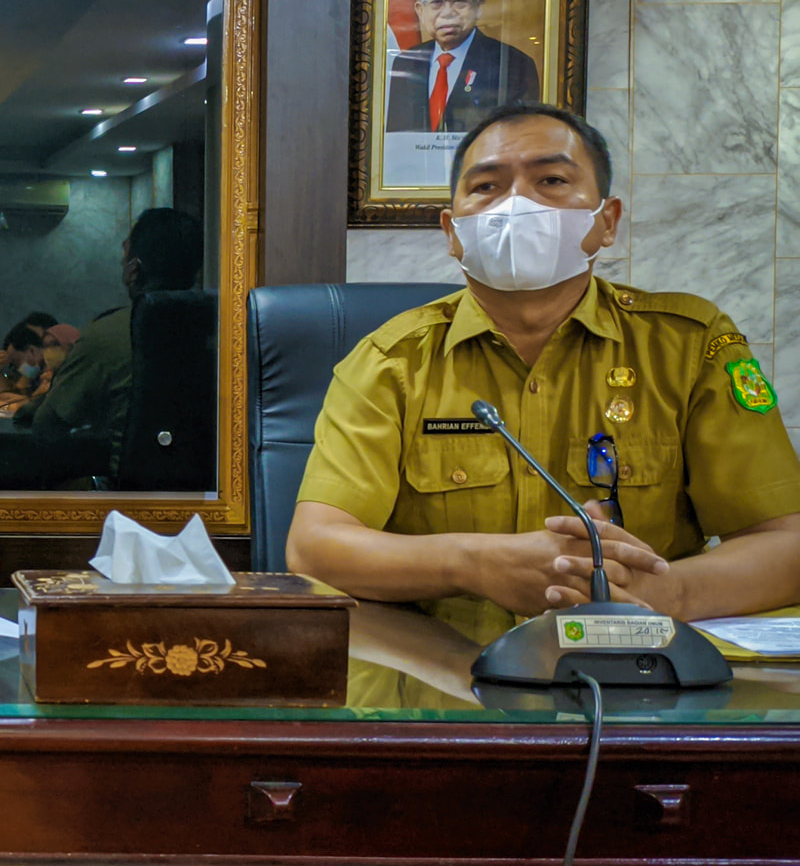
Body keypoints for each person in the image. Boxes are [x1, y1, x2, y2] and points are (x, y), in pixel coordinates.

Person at [286, 103, 800, 640]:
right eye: (486, 186)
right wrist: (473, 563)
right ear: (453, 231)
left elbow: (785, 545)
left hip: (645, 676)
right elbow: (315, 547)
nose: (516, 205)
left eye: (551, 180)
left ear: (607, 221)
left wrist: (663, 594)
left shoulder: (689, 347)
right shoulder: (391, 362)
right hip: (444, 679)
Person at [25, 209, 204, 442]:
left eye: (125, 255)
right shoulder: (221, 328)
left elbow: (47, 423)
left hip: (122, 476)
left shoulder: (108, 333)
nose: (122, 262)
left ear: (134, 269)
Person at [385, 0, 540, 134]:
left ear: (478, 8)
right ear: (420, 11)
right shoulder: (407, 63)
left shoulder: (514, 65)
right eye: (437, 2)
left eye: (459, 2)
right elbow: (397, 137)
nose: (448, 12)